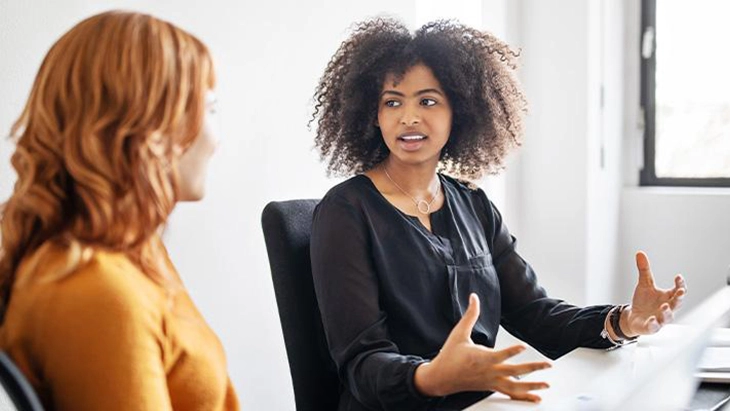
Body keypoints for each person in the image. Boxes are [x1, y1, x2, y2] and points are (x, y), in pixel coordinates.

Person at [309, 18, 687, 411]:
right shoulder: (345, 212)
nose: (409, 117)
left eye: (428, 100)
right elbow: (361, 363)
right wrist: (431, 377)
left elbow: (535, 314)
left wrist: (623, 321)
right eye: (392, 102)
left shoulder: (473, 204)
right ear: (373, 114)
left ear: (461, 110)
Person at [0, 11, 239, 410]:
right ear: (148, 128)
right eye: (209, 109)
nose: (217, 139)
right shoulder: (94, 289)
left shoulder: (134, 255)